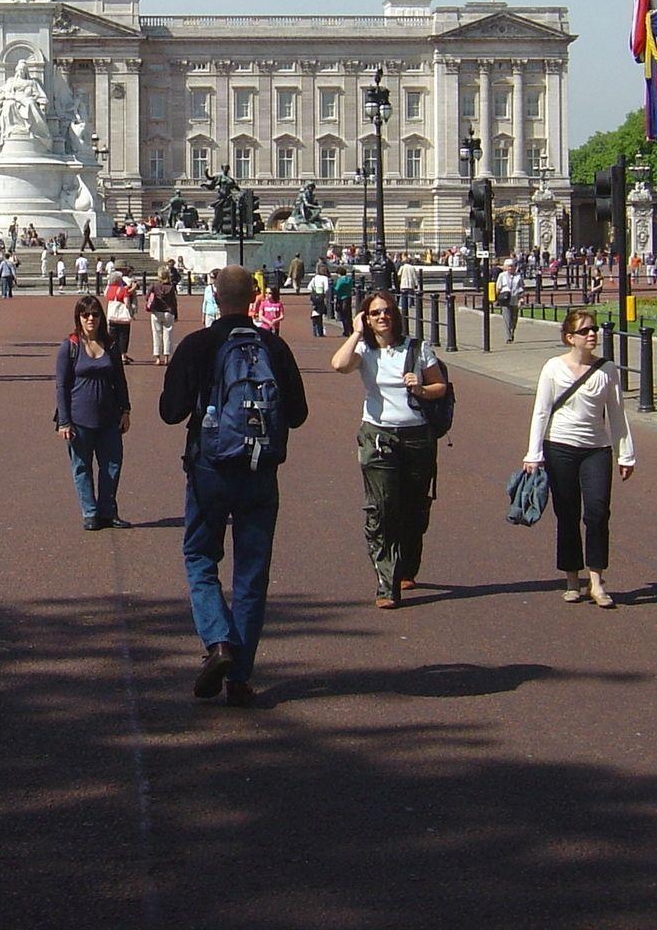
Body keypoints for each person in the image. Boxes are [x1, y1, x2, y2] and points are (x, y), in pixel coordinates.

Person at [161, 265, 309, 707]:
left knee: (200, 556)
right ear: (253, 298)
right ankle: (240, 676)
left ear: (214, 294)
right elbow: (298, 415)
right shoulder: (273, 346)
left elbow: (170, 412)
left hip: (209, 468)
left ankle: (218, 640)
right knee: (251, 572)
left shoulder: (198, 345)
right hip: (260, 470)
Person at [331, 290, 447, 609]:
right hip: (378, 435)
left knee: (413, 507)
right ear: (366, 318)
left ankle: (407, 565)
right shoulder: (365, 351)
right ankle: (386, 581)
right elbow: (339, 364)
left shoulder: (418, 348)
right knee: (382, 508)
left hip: (417, 436)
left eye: (386, 312)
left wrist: (421, 387)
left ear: (395, 315)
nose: (382, 317)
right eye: (374, 313)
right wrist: (355, 332)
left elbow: (441, 387)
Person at [523, 310, 635, 608]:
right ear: (569, 337)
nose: (591, 334)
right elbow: (541, 411)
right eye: (584, 330)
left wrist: (626, 453)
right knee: (567, 513)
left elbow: (617, 413)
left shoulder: (607, 370)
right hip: (559, 447)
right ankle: (572, 578)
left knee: (597, 513)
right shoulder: (553, 368)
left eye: (593, 329)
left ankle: (596, 581)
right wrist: (533, 453)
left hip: (596, 449)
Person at [55, 295, 132, 530]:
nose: (91, 319)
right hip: (79, 418)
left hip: (109, 416)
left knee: (112, 465)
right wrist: (64, 421)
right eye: (86, 314)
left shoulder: (110, 345)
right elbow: (62, 385)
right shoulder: (70, 346)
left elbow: (119, 379)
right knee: (82, 466)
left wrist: (125, 409)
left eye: (95, 314)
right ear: (78, 317)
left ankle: (108, 511)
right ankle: (90, 512)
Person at [145, 268, 178, 366]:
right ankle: (167, 357)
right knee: (168, 335)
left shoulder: (154, 286)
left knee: (156, 334)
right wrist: (176, 314)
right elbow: (174, 302)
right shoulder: (171, 287)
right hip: (168, 312)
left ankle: (158, 358)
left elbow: (147, 297)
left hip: (156, 312)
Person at [104, 268, 136, 363]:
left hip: (112, 315)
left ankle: (113, 354)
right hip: (122, 317)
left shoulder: (108, 289)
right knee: (124, 336)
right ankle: (123, 355)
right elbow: (126, 303)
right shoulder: (122, 290)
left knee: (113, 335)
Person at [495, 258, 525, 343]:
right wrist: (498, 298)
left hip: (515, 299)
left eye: (513, 266)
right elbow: (498, 288)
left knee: (514, 319)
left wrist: (522, 298)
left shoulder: (518, 276)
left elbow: (522, 288)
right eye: (509, 266)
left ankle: (512, 332)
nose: (511, 268)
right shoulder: (502, 275)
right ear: (505, 267)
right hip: (505, 300)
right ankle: (508, 337)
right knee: (507, 319)